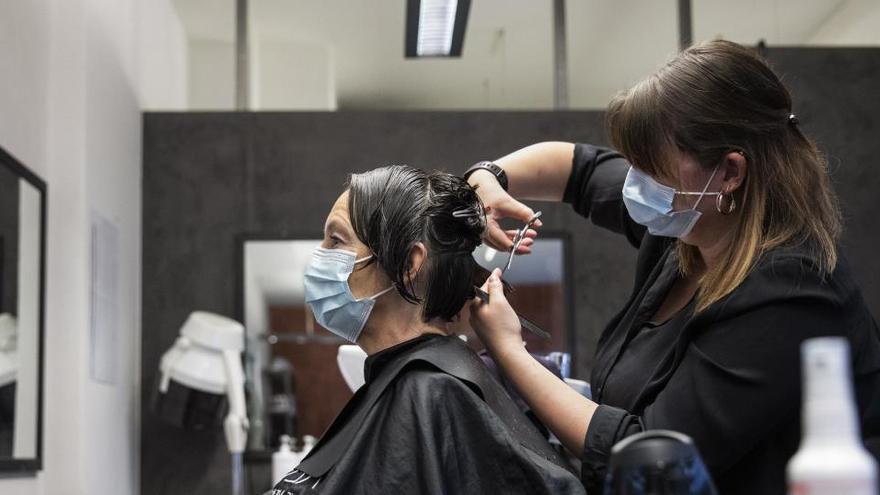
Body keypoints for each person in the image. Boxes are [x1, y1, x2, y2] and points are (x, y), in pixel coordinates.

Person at [466, 40, 880, 494]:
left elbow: (647, 452)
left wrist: (510, 350)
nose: (635, 182)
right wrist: (486, 179)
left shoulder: (790, 293)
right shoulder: (687, 223)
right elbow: (577, 169)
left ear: (730, 172)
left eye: (651, 167)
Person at [270, 165, 585, 495]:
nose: (320, 255)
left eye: (336, 240)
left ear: (408, 265)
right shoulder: (416, 385)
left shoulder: (430, 392)